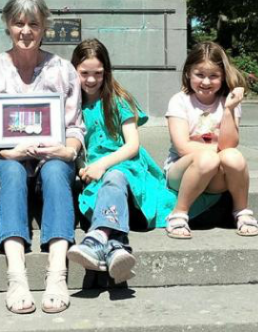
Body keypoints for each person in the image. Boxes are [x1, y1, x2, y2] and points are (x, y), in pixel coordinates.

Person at [0, 0, 84, 315]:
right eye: (18, 23)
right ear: (8, 25)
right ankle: (17, 275)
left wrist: (68, 150)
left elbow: (75, 126)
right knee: (10, 170)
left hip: (52, 158)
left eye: (33, 23)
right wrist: (5, 152)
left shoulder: (63, 70)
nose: (25, 31)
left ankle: (57, 273)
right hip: (8, 161)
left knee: (54, 169)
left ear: (44, 26)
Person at [68, 39, 177, 283]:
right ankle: (117, 246)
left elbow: (132, 145)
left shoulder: (118, 99)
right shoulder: (71, 105)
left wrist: (102, 165)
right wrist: (83, 168)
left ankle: (97, 237)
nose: (91, 79)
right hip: (93, 173)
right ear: (74, 69)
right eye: (84, 73)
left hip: (125, 166)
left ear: (106, 71)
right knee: (107, 183)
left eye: (98, 73)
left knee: (114, 177)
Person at [164, 41, 258, 239]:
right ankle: (179, 213)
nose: (206, 82)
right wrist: (214, 152)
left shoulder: (229, 101)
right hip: (181, 173)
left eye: (213, 76)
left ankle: (241, 211)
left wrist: (229, 109)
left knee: (234, 157)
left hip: (216, 175)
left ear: (223, 76)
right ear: (188, 73)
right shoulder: (180, 101)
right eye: (200, 75)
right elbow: (182, 147)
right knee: (209, 158)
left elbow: (229, 146)